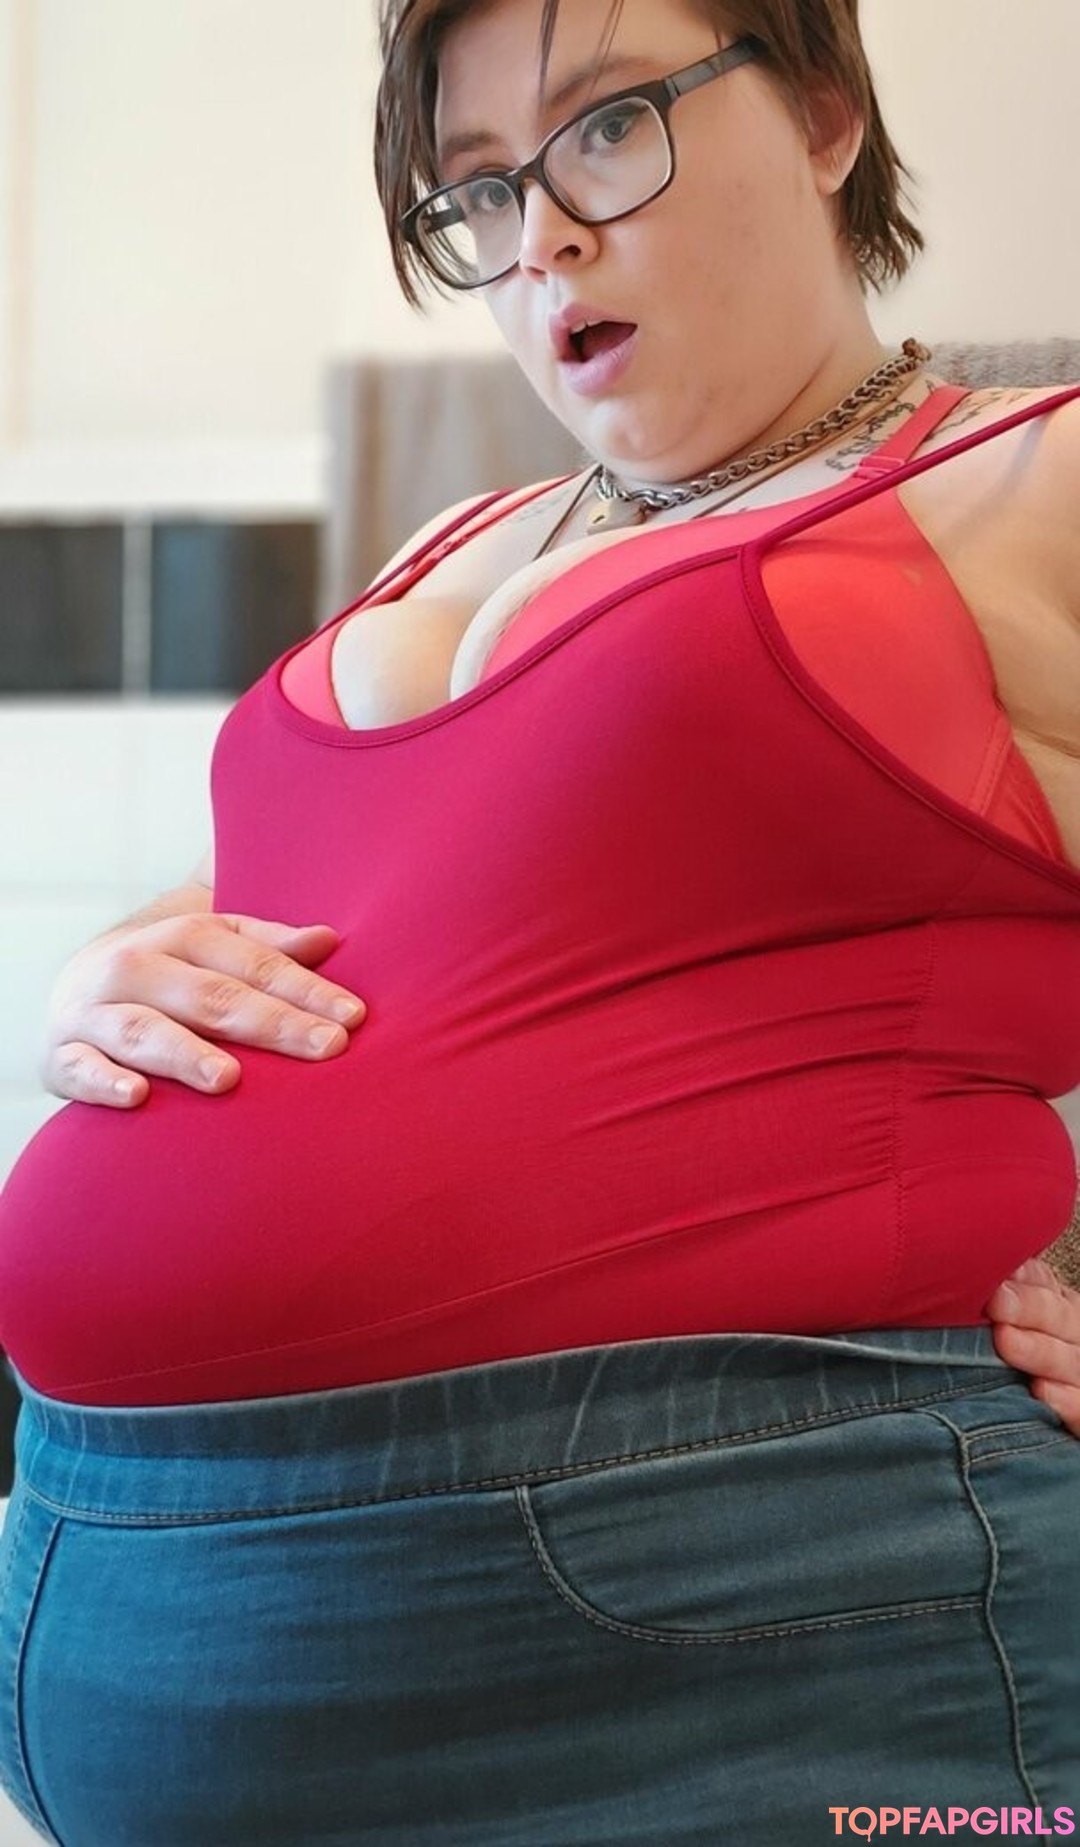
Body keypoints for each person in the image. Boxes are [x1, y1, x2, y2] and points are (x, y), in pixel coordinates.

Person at [1, 0, 1079, 1838]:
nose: (541, 240)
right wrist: (110, 979)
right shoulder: (450, 542)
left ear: (827, 115)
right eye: (478, 190)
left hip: (745, 1598)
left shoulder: (1029, 470)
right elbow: (361, 905)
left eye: (608, 128)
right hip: (136, 1596)